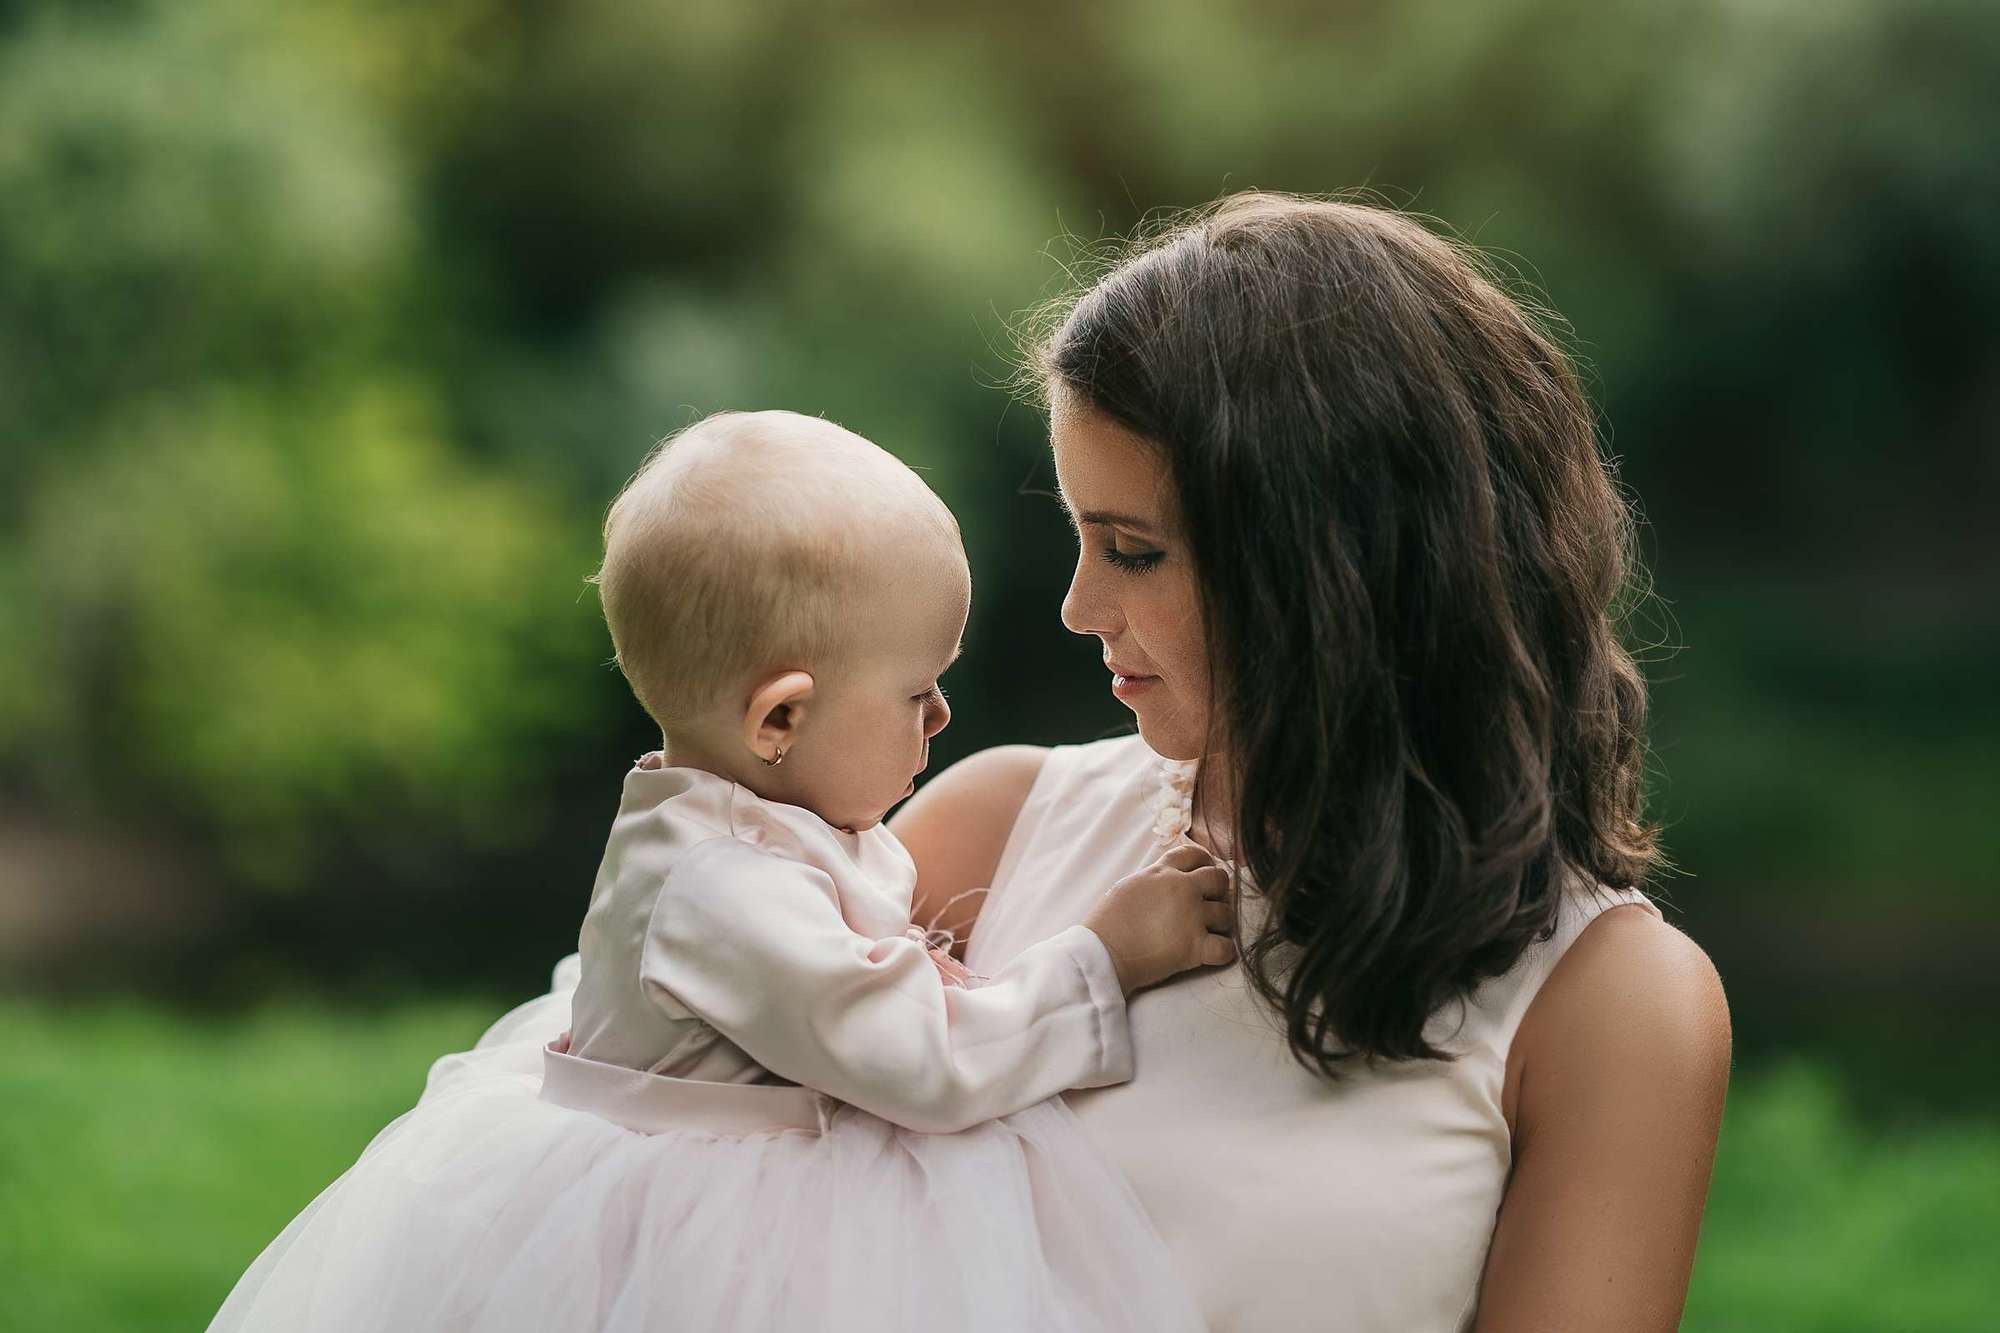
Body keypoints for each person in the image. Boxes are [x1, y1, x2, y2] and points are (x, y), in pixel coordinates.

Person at [413, 192, 1733, 1331]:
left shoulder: (1614, 1004)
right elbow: (675, 1199)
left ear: (1336, 567)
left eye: (1137, 550)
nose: (1079, 610)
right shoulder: (990, 830)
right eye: (1081, 540)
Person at [208, 410, 1225, 1332]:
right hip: (712, 1253)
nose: (941, 718)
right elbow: (916, 1057)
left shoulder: (756, 821)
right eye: (916, 691)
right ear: (777, 718)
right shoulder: (719, 885)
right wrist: (1105, 955)